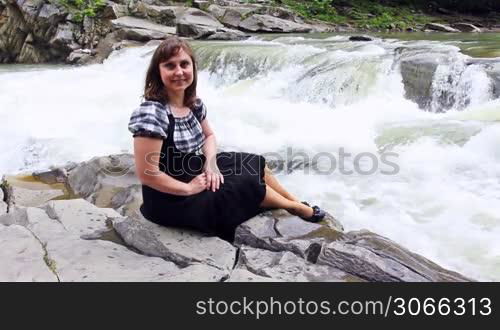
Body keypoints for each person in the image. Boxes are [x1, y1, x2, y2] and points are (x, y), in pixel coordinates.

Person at [128, 36, 325, 241]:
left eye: (184, 64)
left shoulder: (193, 104)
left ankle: (295, 200)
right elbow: (147, 174)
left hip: (193, 169)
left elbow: (209, 135)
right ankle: (295, 208)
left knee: (252, 162)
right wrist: (188, 188)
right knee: (245, 182)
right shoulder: (151, 113)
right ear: (158, 72)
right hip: (171, 199)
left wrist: (211, 164)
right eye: (170, 66)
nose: (179, 72)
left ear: (193, 68)